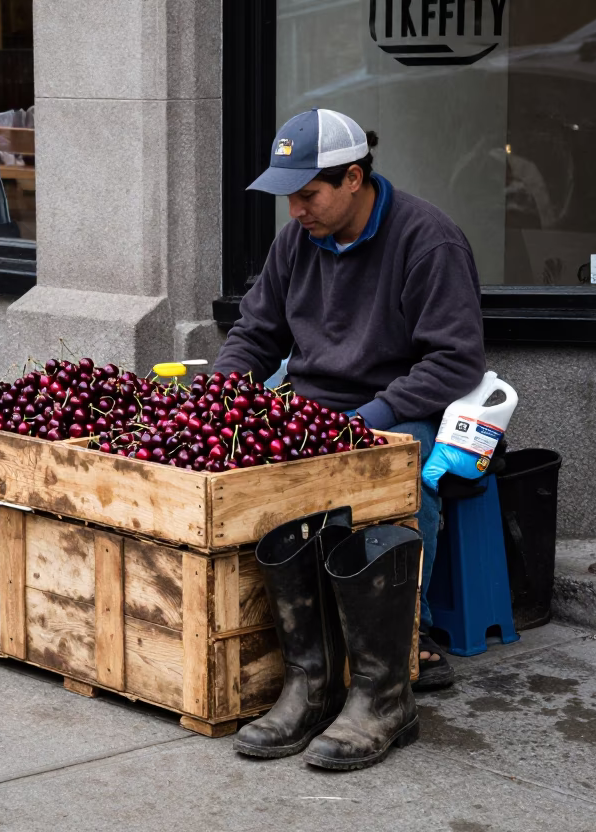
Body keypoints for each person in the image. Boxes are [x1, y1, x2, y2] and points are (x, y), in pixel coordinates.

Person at [212, 108, 485, 693]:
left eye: (307, 195)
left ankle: (407, 634)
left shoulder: (428, 241)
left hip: (401, 407)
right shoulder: (297, 241)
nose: (295, 211)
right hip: (313, 404)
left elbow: (456, 360)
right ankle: (293, 632)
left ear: (354, 179)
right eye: (289, 197)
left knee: (401, 476)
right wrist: (223, 391)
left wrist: (371, 418)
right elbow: (257, 333)